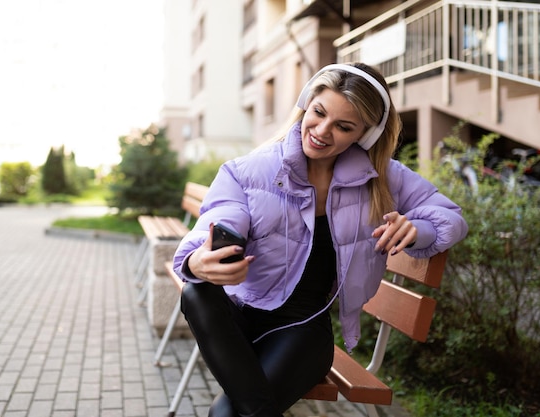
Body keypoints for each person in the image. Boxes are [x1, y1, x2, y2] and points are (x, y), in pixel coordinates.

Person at [172, 62, 468, 417]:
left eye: (344, 127)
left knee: (227, 414)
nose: (322, 132)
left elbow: (452, 216)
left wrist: (419, 230)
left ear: (366, 134)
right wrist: (197, 261)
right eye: (319, 113)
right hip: (237, 319)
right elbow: (219, 217)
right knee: (196, 291)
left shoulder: (383, 178)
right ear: (306, 103)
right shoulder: (249, 170)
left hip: (301, 329)